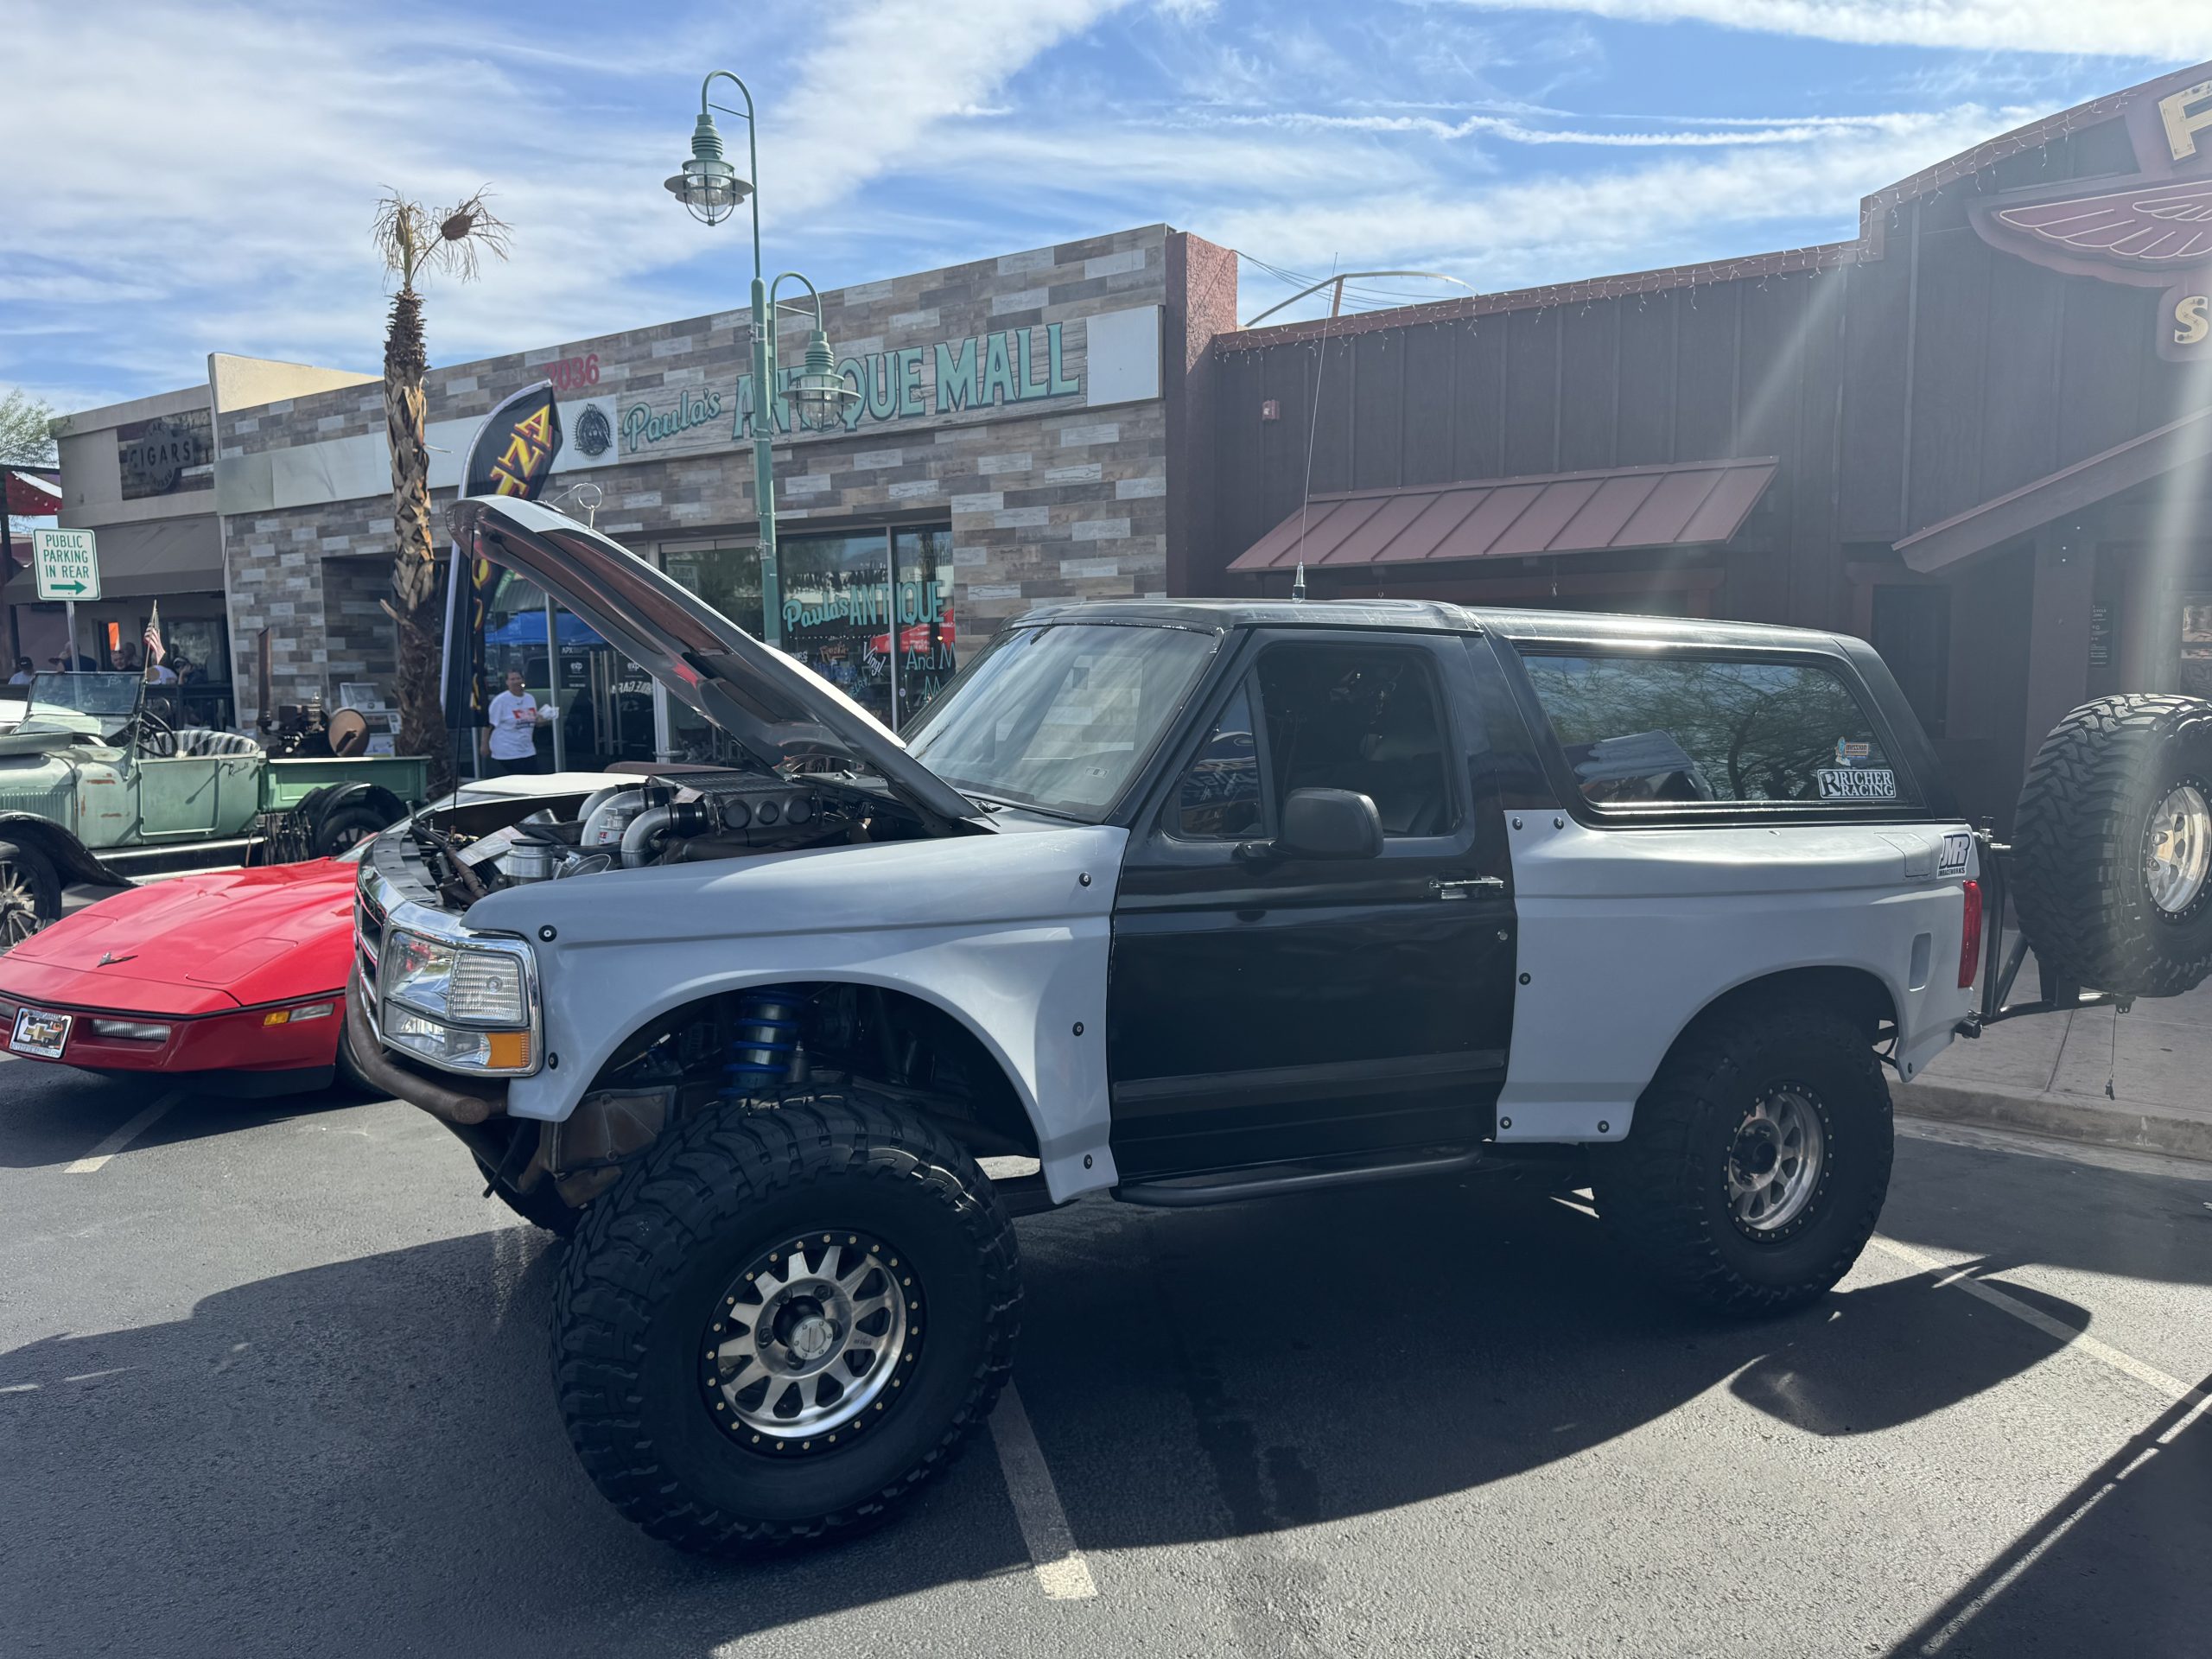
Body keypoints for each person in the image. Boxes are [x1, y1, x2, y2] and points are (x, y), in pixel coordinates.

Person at [485, 669, 554, 777]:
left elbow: (533, 721)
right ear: (507, 682)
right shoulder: (500, 701)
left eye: (518, 678)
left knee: (534, 780)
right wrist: (484, 745)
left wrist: (544, 720)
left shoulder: (529, 698)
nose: (516, 681)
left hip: (528, 750)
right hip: (507, 751)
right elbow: (488, 724)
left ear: (523, 680)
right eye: (512, 679)